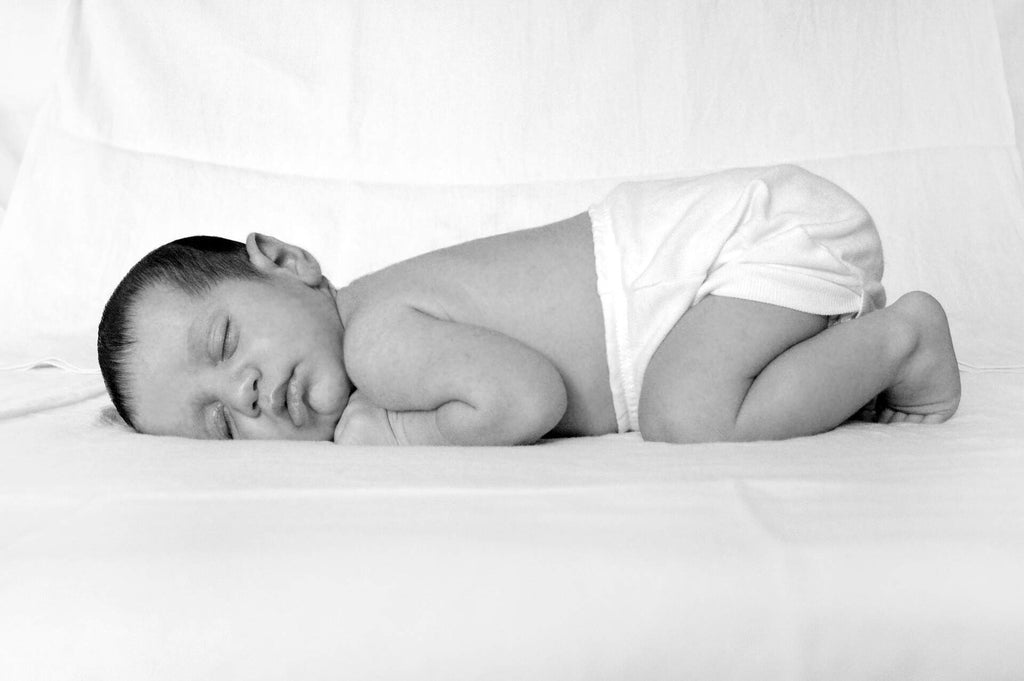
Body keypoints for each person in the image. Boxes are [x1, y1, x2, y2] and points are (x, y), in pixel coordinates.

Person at [97, 164, 961, 445]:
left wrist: (396, 435)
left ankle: (902, 341)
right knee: (694, 387)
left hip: (735, 246)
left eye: (224, 341)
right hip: (726, 272)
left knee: (685, 412)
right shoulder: (377, 330)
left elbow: (528, 397)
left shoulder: (377, 341)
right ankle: (842, 365)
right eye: (215, 425)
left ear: (286, 262)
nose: (242, 393)